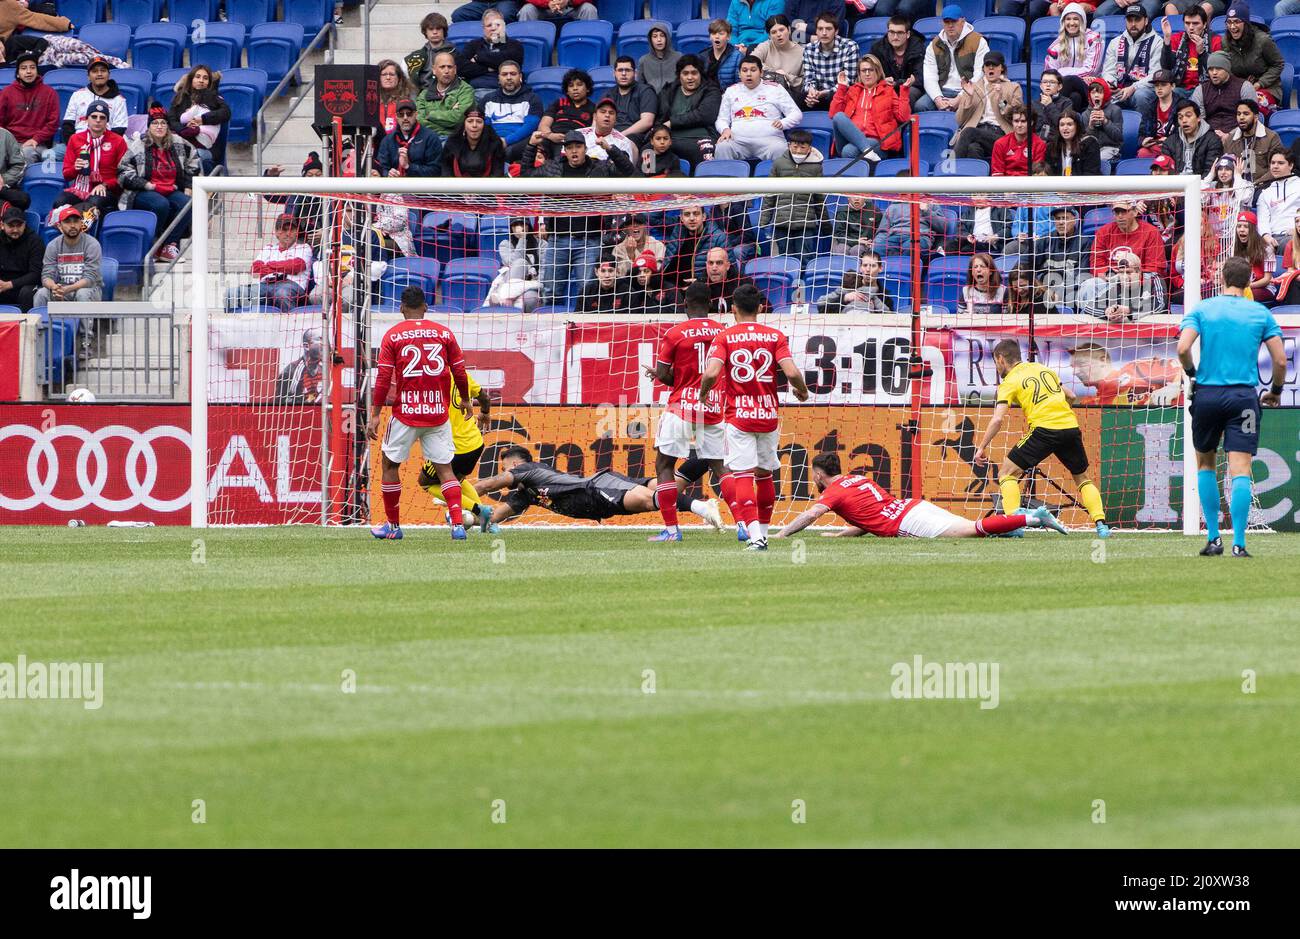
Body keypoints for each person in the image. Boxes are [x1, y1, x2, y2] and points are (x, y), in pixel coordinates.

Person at [1178, 254, 1286, 556]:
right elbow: (1279, 360)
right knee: (1241, 468)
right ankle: (1239, 543)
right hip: (1243, 398)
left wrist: (1192, 376)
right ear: (1249, 281)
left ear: (1222, 279)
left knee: (1206, 464)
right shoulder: (1260, 314)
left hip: (1208, 396)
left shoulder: (1204, 308)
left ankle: (1214, 538)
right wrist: (1275, 391)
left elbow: (1183, 348)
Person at [699, 283, 811, 550]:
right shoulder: (775, 336)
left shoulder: (724, 337)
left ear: (733, 309)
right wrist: (802, 392)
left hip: (739, 416)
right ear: (761, 308)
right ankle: (762, 533)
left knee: (743, 476)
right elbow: (793, 373)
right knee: (764, 475)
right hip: (767, 414)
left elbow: (712, 373)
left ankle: (756, 538)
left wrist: (704, 393)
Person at [974, 338, 1111, 539]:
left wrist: (981, 447)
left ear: (1001, 359)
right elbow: (1071, 396)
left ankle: (1014, 526)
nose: (997, 366)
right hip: (1070, 427)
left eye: (996, 361)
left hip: (1044, 429)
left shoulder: (1009, 381)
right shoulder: (1042, 369)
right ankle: (1102, 527)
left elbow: (997, 419)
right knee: (1082, 479)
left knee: (1006, 474)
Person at [367, 286, 472, 542]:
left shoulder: (393, 336)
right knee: (445, 469)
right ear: (425, 307)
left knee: (390, 465)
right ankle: (457, 525)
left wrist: (375, 413)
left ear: (401, 308)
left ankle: (393, 525)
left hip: (406, 413)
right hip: (437, 413)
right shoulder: (444, 333)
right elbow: (459, 371)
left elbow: (382, 379)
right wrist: (466, 400)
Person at [775, 452, 1066, 540]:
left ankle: (1031, 518)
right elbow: (868, 518)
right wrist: (841, 536)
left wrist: (782, 534)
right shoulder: (858, 480)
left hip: (907, 522)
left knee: (970, 531)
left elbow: (811, 514)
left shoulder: (833, 493)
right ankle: (1013, 528)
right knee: (971, 527)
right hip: (913, 506)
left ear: (817, 475)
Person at [644, 281, 728, 541]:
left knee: (664, 464)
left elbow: (665, 375)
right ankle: (744, 527)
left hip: (682, 405)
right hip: (714, 404)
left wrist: (657, 374)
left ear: (684, 304)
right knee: (721, 466)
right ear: (711, 303)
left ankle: (672, 530)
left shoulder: (675, 333)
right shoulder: (723, 332)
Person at [473, 444, 723, 528]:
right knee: (670, 485)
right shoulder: (525, 496)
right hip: (599, 500)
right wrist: (466, 514)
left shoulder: (528, 470)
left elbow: (491, 484)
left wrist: (464, 493)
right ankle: (712, 454)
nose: (504, 473)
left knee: (652, 499)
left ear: (516, 464)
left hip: (596, 488)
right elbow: (492, 516)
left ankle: (703, 508)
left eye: (506, 467)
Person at [525, 130, 634, 307]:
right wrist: (531, 146)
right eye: (569, 147)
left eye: (578, 146)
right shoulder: (553, 167)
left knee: (588, 290)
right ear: (564, 151)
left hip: (589, 241)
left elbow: (628, 170)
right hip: (558, 240)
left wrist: (610, 148)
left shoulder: (600, 167)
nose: (574, 151)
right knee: (551, 291)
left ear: (585, 148)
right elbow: (525, 175)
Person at [417, 369, 499, 533]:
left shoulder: (428, 379)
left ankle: (479, 510)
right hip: (475, 444)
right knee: (456, 481)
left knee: (425, 483)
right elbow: (485, 398)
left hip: (452, 448)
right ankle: (490, 524)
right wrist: (484, 413)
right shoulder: (462, 376)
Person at [117, 106, 198, 262]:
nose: (159, 126)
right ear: (149, 126)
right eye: (155, 123)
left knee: (188, 203)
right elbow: (123, 173)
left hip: (170, 188)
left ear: (168, 126)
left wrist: (188, 186)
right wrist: (146, 185)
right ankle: (153, 244)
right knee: (160, 204)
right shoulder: (138, 145)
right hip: (142, 191)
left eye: (163, 123)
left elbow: (193, 162)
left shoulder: (179, 143)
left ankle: (168, 246)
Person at [714, 55, 801, 161]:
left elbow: (796, 114)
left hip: (770, 140)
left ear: (761, 73)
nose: (749, 74)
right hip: (737, 140)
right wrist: (725, 129)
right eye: (744, 70)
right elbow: (722, 119)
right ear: (739, 74)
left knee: (780, 149)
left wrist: (784, 123)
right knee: (722, 147)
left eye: (753, 70)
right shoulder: (731, 91)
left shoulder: (776, 88)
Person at [53, 101, 126, 221]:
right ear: (87, 119)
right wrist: (75, 168)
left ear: (107, 121)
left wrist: (105, 184)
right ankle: (66, 235)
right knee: (60, 202)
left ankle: (87, 237)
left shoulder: (118, 141)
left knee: (92, 204)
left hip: (107, 190)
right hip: (80, 188)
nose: (98, 120)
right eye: (94, 116)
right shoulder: (76, 139)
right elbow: (66, 174)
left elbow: (124, 175)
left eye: (102, 117)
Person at [830, 53, 910, 160]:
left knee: (848, 151)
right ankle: (868, 152)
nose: (867, 74)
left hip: (877, 142)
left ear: (878, 72)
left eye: (871, 70)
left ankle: (867, 151)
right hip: (849, 139)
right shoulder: (853, 91)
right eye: (864, 71)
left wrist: (904, 92)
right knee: (839, 116)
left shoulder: (888, 91)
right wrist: (841, 88)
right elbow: (833, 114)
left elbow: (903, 117)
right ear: (859, 73)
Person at [761, 129, 823, 259]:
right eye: (795, 147)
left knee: (805, 258)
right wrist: (764, 221)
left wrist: (826, 224)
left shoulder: (816, 167)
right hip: (782, 222)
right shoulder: (778, 164)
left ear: (809, 148)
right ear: (789, 145)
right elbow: (769, 195)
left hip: (806, 223)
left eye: (802, 147)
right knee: (785, 259)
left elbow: (819, 199)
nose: (798, 151)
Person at [952, 52, 1021, 162]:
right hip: (977, 131)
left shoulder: (1013, 87)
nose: (991, 68)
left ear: (1002, 68)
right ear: (983, 69)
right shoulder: (972, 87)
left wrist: (1000, 99)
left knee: (969, 132)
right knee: (972, 149)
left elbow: (1016, 117)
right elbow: (960, 120)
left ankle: (951, 168)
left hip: (1000, 135)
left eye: (994, 65)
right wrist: (969, 98)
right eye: (987, 65)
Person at [1067, 341, 1182, 406]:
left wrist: (1175, 386)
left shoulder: (1137, 368)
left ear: (1102, 360)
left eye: (1080, 364)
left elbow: (1185, 370)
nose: (1075, 372)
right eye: (1073, 367)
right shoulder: (1091, 403)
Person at [922, 5, 990, 113]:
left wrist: (960, 98)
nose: (950, 25)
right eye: (947, 22)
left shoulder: (978, 41)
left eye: (954, 21)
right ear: (942, 23)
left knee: (973, 107)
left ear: (963, 21)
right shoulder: (934, 45)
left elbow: (980, 74)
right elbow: (929, 76)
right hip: (942, 90)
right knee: (921, 106)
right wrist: (938, 99)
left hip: (968, 91)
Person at [657, 55, 721, 168]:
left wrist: (671, 122)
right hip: (670, 138)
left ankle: (703, 184)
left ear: (700, 74)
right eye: (685, 73)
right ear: (679, 75)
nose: (690, 77)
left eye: (694, 73)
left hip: (699, 138)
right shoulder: (668, 91)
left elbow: (705, 115)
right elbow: (660, 117)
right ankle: (650, 181)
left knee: (706, 150)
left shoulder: (711, 91)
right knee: (647, 150)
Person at [166, 65, 230, 175]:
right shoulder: (180, 97)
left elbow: (225, 113)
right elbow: (171, 120)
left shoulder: (214, 97)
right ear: (191, 79)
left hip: (205, 146)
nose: (201, 81)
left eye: (205, 78)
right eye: (198, 77)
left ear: (209, 82)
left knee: (194, 155)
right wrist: (185, 129)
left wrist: (202, 119)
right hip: (182, 141)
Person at [33, 206, 102, 307]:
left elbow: (90, 278)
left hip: (89, 289)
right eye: (67, 222)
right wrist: (54, 288)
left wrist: (68, 289)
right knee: (41, 294)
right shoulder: (53, 245)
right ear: (60, 227)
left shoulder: (92, 244)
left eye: (76, 221)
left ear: (81, 223)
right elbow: (46, 276)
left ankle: (84, 324)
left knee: (82, 294)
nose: (73, 225)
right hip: (62, 289)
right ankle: (44, 323)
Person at [1222, 3, 1283, 116]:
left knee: (1252, 108)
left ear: (1245, 23)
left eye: (1237, 21)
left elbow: (1278, 64)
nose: (1232, 26)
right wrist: (1240, 84)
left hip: (1266, 88)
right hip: (1240, 88)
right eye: (1229, 22)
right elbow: (1227, 68)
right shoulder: (1226, 42)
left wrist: (1259, 83)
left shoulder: (1263, 40)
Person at [0, 50, 60, 165]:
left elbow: (52, 123)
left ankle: (18, 183)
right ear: (18, 73)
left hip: (37, 143)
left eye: (32, 67)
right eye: (23, 68)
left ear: (37, 71)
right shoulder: (7, 93)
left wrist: (36, 139)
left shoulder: (49, 93)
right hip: (11, 142)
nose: (28, 71)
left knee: (25, 153)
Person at [1101, 6, 1164, 114]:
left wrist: (1134, 87)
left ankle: (1145, 130)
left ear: (1146, 21)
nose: (1133, 24)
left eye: (1137, 20)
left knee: (1141, 96)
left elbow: (1155, 75)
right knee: (1099, 94)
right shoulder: (1115, 42)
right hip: (1120, 89)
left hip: (1145, 89)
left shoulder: (1157, 42)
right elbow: (1108, 71)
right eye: (1130, 20)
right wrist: (1112, 84)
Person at [1076, 245, 1169, 319]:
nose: (1124, 277)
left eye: (1129, 272)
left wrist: (1128, 310)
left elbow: (1160, 305)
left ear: (1139, 271)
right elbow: (1089, 306)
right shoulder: (1118, 283)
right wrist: (1106, 311)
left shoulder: (1154, 279)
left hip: (1157, 330)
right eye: (1121, 272)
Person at [1044, 4, 1105, 112]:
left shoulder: (1094, 39)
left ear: (1082, 21)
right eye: (1068, 19)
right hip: (1066, 90)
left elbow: (1091, 70)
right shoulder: (1055, 46)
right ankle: (1069, 124)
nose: (1072, 23)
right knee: (1074, 97)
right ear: (1063, 22)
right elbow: (1050, 76)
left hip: (1090, 88)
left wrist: (1062, 72)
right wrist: (1063, 78)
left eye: (1076, 19)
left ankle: (1049, 115)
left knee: (1071, 80)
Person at [529, 68, 595, 162]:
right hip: (550, 137)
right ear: (567, 91)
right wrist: (551, 135)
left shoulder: (594, 108)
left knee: (559, 161)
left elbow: (593, 132)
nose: (575, 88)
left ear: (588, 88)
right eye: (571, 86)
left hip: (572, 142)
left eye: (579, 85)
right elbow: (543, 125)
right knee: (532, 154)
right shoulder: (559, 103)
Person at [249, 213, 312, 311]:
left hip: (290, 285)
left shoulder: (304, 247)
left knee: (281, 294)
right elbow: (255, 270)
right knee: (233, 294)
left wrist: (269, 265)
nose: (288, 233)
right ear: (277, 232)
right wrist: (283, 267)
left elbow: (297, 266)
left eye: (292, 229)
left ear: (296, 232)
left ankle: (291, 325)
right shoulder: (268, 248)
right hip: (265, 285)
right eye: (284, 230)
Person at [482, 60, 542, 163]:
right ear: (499, 78)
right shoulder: (488, 99)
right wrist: (495, 141)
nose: (509, 77)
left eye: (513, 74)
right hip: (492, 141)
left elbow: (530, 126)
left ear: (520, 76)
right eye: (504, 74)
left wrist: (506, 141)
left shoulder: (532, 98)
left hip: (519, 142)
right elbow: (484, 125)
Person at [869, 16, 929, 112]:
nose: (895, 37)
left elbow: (920, 78)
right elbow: (869, 72)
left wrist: (897, 83)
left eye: (900, 33)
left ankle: (906, 125)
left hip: (910, 88)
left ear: (908, 34)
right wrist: (882, 81)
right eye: (892, 32)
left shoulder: (918, 48)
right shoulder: (878, 48)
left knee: (908, 93)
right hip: (884, 86)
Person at [455, 9, 524, 93]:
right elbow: (461, 68)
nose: (493, 28)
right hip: (475, 92)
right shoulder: (473, 45)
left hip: (504, 92)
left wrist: (478, 58)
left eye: (497, 25)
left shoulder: (515, 45)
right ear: (483, 28)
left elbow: (509, 62)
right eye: (489, 25)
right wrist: (488, 68)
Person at [1191, 51, 1257, 139]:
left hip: (1240, 136)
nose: (1214, 73)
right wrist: (1211, 134)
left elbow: (1251, 117)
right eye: (1211, 69)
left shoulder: (1244, 87)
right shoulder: (1201, 90)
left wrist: (1230, 135)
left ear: (1227, 69)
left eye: (1218, 69)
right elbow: (1198, 119)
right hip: (1208, 137)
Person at [1158, 4, 1222, 94]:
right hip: (1180, 87)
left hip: (1206, 88)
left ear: (1204, 25)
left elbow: (1217, 72)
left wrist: (1202, 53)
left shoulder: (1215, 40)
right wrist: (1167, 40)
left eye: (1195, 23)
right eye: (1187, 23)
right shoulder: (1176, 38)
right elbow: (1166, 67)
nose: (1191, 27)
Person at [801, 12, 858, 112]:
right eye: (820, 29)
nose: (824, 33)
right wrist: (811, 92)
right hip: (818, 96)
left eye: (828, 29)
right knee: (800, 99)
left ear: (836, 31)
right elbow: (808, 80)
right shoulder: (809, 49)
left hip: (841, 95)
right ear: (816, 31)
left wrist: (826, 93)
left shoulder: (850, 47)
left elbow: (849, 82)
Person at [663, 204, 731, 286]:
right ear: (681, 218)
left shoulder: (719, 238)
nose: (692, 218)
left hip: (701, 290)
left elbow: (731, 272)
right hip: (671, 288)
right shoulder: (678, 233)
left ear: (704, 216)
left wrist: (700, 283)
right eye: (687, 214)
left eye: (696, 213)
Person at [62, 57, 128, 140]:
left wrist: (101, 148)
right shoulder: (77, 95)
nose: (99, 74)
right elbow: (68, 125)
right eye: (95, 71)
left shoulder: (119, 100)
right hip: (77, 143)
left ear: (108, 74)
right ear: (88, 76)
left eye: (103, 70)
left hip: (106, 146)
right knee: (50, 153)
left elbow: (119, 130)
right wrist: (74, 146)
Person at [375, 98, 443, 178]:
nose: (405, 118)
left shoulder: (430, 138)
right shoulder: (388, 140)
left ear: (416, 114)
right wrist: (388, 174)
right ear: (396, 116)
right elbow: (382, 167)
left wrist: (409, 167)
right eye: (401, 114)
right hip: (394, 187)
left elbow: (436, 171)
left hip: (421, 188)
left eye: (409, 114)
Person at [417, 51, 476, 140]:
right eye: (442, 67)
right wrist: (448, 117)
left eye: (450, 67)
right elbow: (419, 119)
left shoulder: (466, 90)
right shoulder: (424, 94)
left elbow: (458, 119)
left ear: (455, 69)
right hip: (429, 138)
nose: (446, 71)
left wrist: (430, 115)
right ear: (434, 70)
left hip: (455, 139)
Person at [1220, 99, 1278, 187]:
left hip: (1264, 187)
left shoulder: (1271, 137)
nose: (1241, 117)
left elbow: (1276, 168)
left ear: (1256, 117)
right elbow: (1226, 167)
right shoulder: (1231, 140)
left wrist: (1255, 185)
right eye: (1238, 114)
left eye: (1246, 114)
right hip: (1237, 188)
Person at [1160, 98, 1222, 179]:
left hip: (1201, 186)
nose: (1184, 120)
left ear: (1198, 118)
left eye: (1188, 116)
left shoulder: (1212, 140)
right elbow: (1165, 171)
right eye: (1180, 117)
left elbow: (1210, 171)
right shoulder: (1169, 143)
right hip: (1176, 186)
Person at [440, 105, 506, 177]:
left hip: (487, 186)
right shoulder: (452, 142)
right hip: (456, 186)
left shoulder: (494, 143)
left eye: (479, 121)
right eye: (470, 121)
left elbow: (497, 173)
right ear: (464, 124)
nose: (474, 125)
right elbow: (446, 171)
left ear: (484, 125)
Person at [818, 250, 893, 313]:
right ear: (860, 268)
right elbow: (821, 308)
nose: (868, 269)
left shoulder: (885, 297)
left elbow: (888, 319)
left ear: (880, 268)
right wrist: (845, 298)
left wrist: (873, 309)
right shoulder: (849, 284)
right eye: (865, 265)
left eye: (873, 266)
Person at [752, 14, 804, 101]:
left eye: (781, 30)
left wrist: (786, 76)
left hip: (790, 96)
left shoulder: (801, 52)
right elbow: (751, 62)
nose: (778, 34)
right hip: (763, 94)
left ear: (789, 29)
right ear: (769, 35)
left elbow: (803, 83)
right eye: (774, 32)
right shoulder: (765, 46)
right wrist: (775, 73)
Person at [0, 204, 43, 310]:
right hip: (2, 285)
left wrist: (10, 284)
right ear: (2, 225)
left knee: (27, 293)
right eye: (11, 225)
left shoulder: (35, 241)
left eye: (19, 225)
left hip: (24, 285)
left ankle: (26, 325)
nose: (15, 230)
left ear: (25, 225)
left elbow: (36, 274)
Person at [609, 56, 657, 148]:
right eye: (620, 70)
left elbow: (647, 121)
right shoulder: (609, 94)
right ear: (614, 73)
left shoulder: (646, 91)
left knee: (627, 143)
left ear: (635, 73)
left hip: (637, 136)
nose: (623, 74)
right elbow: (597, 120)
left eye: (627, 70)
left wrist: (620, 135)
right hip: (611, 135)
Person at [405, 13, 456, 94]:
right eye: (431, 29)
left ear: (444, 31)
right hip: (422, 93)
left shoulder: (454, 52)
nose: (435, 32)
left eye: (438, 29)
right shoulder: (416, 55)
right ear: (425, 32)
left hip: (449, 92)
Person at [1231, 209, 1275, 301]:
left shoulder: (1267, 249)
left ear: (1253, 230)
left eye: (1246, 227)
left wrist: (1246, 287)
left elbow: (1267, 279)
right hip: (1242, 288)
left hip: (1264, 288)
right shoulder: (1233, 248)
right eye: (1239, 226)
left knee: (1242, 298)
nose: (1241, 230)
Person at [993, 104, 1047, 176]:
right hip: (1006, 185)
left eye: (1023, 121)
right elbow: (997, 173)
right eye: (1016, 121)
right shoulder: (1000, 143)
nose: (1019, 125)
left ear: (1031, 122)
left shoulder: (1039, 144)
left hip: (1029, 185)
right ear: (1012, 122)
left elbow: (1037, 174)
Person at [274, 327, 324, 404]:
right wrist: (303, 402)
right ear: (307, 346)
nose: (324, 345)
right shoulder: (291, 372)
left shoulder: (324, 371)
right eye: (320, 340)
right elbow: (279, 403)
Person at [1043, 108, 1100, 176]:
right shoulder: (1052, 147)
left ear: (1077, 127)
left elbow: (1090, 173)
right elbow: (1049, 173)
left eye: (1069, 124)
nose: (1065, 128)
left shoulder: (1089, 144)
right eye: (1062, 125)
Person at [579, 97, 636, 163]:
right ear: (594, 116)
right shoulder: (579, 134)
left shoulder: (624, 142)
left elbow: (627, 169)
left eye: (611, 113)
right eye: (603, 112)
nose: (607, 115)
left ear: (615, 119)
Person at [1137, 69, 1179, 157]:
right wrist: (1143, 141)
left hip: (1174, 147)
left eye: (1163, 85)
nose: (1159, 88)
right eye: (1156, 85)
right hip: (1155, 146)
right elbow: (1142, 132)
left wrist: (1170, 141)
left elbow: (1188, 134)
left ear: (1173, 86)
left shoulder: (1182, 106)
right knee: (1142, 153)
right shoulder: (1151, 106)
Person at [1083, 77, 1123, 165]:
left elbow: (1118, 137)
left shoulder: (1115, 110)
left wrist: (1105, 121)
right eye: (1093, 93)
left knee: (1097, 160)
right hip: (1092, 149)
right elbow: (1084, 140)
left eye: (1100, 92)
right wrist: (1090, 126)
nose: (1096, 95)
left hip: (1111, 148)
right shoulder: (1085, 114)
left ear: (1106, 94)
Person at [611, 214, 665, 278]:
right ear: (625, 228)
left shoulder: (658, 245)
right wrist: (630, 257)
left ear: (645, 226)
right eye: (630, 223)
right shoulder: (618, 249)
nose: (635, 225)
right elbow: (621, 276)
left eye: (639, 222)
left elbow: (658, 271)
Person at [375, 59, 416, 137]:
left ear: (399, 78)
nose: (388, 77)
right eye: (383, 74)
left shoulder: (407, 101)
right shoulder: (371, 102)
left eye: (392, 74)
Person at [638, 24, 681, 96]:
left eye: (662, 36)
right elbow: (640, 86)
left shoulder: (679, 57)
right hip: (651, 98)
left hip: (674, 98)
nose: (659, 40)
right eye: (655, 36)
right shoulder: (643, 60)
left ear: (667, 38)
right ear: (650, 40)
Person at [703, 18, 742, 92]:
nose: (717, 37)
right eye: (714, 33)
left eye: (721, 34)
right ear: (710, 36)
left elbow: (739, 85)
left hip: (728, 96)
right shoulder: (703, 56)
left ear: (728, 37)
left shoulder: (737, 57)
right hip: (707, 96)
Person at [0, 124, 28, 209]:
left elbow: (20, 164)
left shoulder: (4, 135)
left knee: (23, 200)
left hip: (1, 187)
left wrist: (4, 179)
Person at [517, 0, 597, 23]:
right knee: (527, 10)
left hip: (572, 6)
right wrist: (547, 3)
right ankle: (528, 50)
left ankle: (590, 48)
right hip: (542, 7)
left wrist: (569, 1)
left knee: (589, 9)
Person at [451, 0, 520, 25]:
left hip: (504, 1)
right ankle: (473, 42)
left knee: (504, 15)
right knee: (458, 15)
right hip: (480, 2)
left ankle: (502, 43)